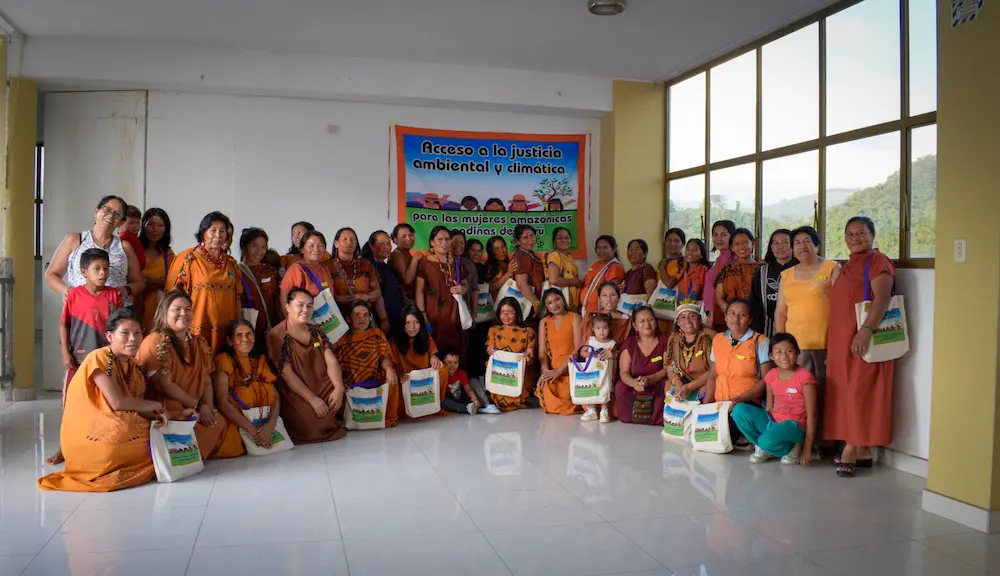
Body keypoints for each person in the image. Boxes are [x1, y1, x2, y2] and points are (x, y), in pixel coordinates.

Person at [38, 309, 167, 492]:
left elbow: (135, 405)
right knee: (147, 441)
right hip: (92, 428)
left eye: (137, 333)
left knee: (159, 432)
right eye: (125, 333)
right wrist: (157, 406)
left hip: (119, 420)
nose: (133, 338)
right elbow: (118, 403)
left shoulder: (134, 365)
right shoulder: (99, 358)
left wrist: (163, 414)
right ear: (109, 336)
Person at [824, 216, 896, 478]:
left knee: (859, 393)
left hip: (864, 340)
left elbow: (883, 299)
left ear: (873, 235)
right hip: (842, 343)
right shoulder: (846, 266)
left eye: (861, 233)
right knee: (846, 392)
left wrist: (865, 331)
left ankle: (850, 450)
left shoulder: (878, 261)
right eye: (850, 233)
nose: (855, 237)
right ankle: (864, 451)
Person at [48, 248, 125, 465]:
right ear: (84, 271)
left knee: (105, 403)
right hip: (78, 360)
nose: (102, 273)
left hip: (105, 361)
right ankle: (64, 447)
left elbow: (118, 327)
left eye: (106, 269)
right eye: (97, 269)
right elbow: (64, 324)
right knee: (70, 405)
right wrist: (65, 353)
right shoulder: (73, 295)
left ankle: (101, 444)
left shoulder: (114, 295)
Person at [138, 290, 228, 459]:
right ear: (164, 312)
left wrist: (208, 408)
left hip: (196, 408)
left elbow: (207, 380)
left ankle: (188, 456)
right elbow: (163, 384)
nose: (183, 313)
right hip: (170, 409)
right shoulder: (155, 340)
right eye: (177, 309)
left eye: (188, 309)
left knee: (220, 422)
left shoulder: (198, 342)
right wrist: (198, 406)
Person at [267, 288, 348, 443]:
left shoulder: (316, 330)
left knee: (338, 403)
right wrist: (312, 399)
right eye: (300, 305)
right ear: (287, 306)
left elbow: (331, 361)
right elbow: (286, 374)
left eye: (309, 306)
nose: (306, 310)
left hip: (323, 386)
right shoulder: (277, 335)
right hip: (298, 392)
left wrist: (338, 388)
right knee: (310, 423)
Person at [45, 195, 146, 322]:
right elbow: (51, 275)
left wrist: (126, 290)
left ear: (121, 222)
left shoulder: (124, 247)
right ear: (96, 212)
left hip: (117, 315)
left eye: (117, 214)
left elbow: (139, 282)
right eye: (107, 209)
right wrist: (65, 291)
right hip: (82, 312)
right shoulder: (75, 240)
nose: (111, 215)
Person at [733, 333, 818, 466]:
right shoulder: (771, 375)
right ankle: (765, 447)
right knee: (738, 410)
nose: (784, 356)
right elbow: (769, 407)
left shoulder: (805, 379)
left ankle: (792, 448)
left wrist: (807, 450)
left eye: (789, 351)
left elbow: (812, 415)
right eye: (778, 352)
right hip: (773, 422)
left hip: (794, 426)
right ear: (771, 356)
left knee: (768, 439)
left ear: (797, 353)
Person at [165, 212, 243, 354]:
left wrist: (238, 327)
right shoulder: (187, 258)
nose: (218, 235)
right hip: (196, 328)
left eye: (222, 231)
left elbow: (237, 297)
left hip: (226, 330)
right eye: (213, 230)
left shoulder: (231, 263)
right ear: (203, 233)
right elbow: (171, 296)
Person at [774, 226, 840, 391]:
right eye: (797, 242)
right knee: (798, 392)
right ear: (792, 249)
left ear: (817, 245)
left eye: (807, 241)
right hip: (795, 347)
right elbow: (781, 311)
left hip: (826, 343)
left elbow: (842, 307)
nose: (802, 246)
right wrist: (781, 341)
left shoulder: (832, 268)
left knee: (826, 392)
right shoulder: (786, 275)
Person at [705, 299, 774, 449]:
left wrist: (738, 399)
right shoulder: (718, 339)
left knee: (723, 436)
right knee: (705, 435)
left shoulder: (760, 341)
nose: (736, 319)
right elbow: (712, 375)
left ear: (750, 320)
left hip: (746, 404)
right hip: (721, 405)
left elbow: (768, 380)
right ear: (725, 316)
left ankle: (747, 434)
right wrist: (707, 403)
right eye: (732, 313)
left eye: (742, 315)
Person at [213, 319, 282, 457]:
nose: (245, 339)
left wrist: (271, 425)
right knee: (232, 447)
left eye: (249, 334)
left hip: (263, 421)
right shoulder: (224, 360)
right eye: (239, 335)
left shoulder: (259, 362)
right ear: (230, 341)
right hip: (235, 421)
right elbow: (222, 401)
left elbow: (276, 397)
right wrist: (252, 430)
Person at [333, 301, 400, 426]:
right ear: (348, 318)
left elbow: (384, 356)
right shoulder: (340, 340)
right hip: (351, 386)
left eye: (365, 315)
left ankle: (388, 419)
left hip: (375, 381)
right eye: (357, 315)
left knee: (391, 378)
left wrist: (389, 369)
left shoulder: (376, 333)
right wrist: (341, 383)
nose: (362, 319)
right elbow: (335, 365)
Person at [416, 226, 473, 367]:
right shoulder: (425, 262)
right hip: (433, 313)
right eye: (439, 239)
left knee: (456, 349)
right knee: (436, 348)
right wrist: (422, 314)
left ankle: (456, 384)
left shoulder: (457, 262)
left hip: (454, 313)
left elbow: (466, 285)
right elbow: (419, 290)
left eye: (447, 239)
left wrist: (462, 288)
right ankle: (439, 385)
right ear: (431, 242)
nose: (444, 243)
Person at [391, 306, 451, 418]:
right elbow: (392, 365)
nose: (412, 327)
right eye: (408, 323)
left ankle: (436, 404)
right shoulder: (395, 342)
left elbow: (432, 353)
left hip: (424, 377)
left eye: (416, 322)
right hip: (406, 379)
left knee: (442, 369)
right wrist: (399, 376)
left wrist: (434, 357)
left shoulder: (425, 336)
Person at [615, 306, 669, 425]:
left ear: (656, 321)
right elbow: (624, 373)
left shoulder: (665, 340)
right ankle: (631, 417)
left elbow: (667, 368)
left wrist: (650, 379)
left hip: (656, 381)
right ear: (635, 326)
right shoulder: (629, 343)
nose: (647, 324)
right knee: (621, 387)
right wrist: (634, 383)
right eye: (642, 321)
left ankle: (656, 418)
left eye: (650, 320)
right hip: (635, 384)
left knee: (666, 386)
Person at [535, 288, 583, 415]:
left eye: (557, 299)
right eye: (550, 302)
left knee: (568, 397)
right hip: (552, 371)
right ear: (546, 306)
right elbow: (542, 353)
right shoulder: (544, 322)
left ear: (563, 299)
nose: (555, 305)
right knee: (547, 389)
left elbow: (578, 350)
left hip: (571, 370)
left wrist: (558, 371)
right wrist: (545, 370)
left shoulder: (575, 318)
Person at [486, 297, 538, 412]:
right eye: (503, 312)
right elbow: (489, 349)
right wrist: (490, 351)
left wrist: (527, 357)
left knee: (519, 393)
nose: (506, 316)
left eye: (510, 312)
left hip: (520, 373)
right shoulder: (494, 330)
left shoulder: (528, 332)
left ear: (517, 313)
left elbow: (531, 356)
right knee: (498, 398)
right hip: (499, 372)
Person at [237, 227, 283, 350]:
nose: (259, 251)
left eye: (263, 247)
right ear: (244, 247)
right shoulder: (235, 272)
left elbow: (278, 301)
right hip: (248, 332)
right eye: (254, 246)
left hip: (273, 330)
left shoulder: (271, 271)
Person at [749, 229, 797, 338]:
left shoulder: (801, 269)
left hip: (797, 326)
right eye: (776, 243)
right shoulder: (761, 271)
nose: (781, 247)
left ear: (792, 245)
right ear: (771, 247)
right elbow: (754, 303)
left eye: (785, 242)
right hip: (766, 328)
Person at [666, 303, 715, 402]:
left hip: (705, 382)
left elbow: (714, 370)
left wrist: (689, 387)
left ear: (700, 319)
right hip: (683, 382)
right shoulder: (674, 339)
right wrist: (677, 381)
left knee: (707, 391)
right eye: (683, 317)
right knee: (668, 386)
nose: (687, 320)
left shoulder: (709, 337)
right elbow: (670, 367)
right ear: (678, 322)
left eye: (692, 316)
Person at [329, 227, 382, 316]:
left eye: (353, 240)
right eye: (345, 239)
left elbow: (377, 291)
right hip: (337, 316)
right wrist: (339, 298)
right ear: (336, 243)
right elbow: (323, 294)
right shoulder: (327, 266)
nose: (349, 242)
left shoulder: (366, 264)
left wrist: (366, 297)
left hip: (364, 315)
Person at [362, 230, 406, 335]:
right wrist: (383, 319)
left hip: (395, 317)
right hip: (381, 321)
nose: (387, 247)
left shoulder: (385, 266)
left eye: (388, 243)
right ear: (371, 246)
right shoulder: (366, 267)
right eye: (382, 244)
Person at [713, 228, 761, 326]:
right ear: (732, 247)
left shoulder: (762, 269)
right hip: (730, 321)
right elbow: (719, 298)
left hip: (757, 319)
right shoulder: (726, 269)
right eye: (737, 244)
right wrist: (733, 316)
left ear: (753, 244)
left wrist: (748, 317)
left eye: (745, 242)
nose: (741, 246)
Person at [139, 208, 174, 332]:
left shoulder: (168, 254)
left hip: (159, 308)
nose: (155, 229)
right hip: (137, 306)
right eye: (151, 225)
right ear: (143, 226)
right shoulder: (135, 249)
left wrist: (160, 283)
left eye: (160, 225)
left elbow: (173, 281)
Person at [280, 230, 336, 303]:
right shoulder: (296, 269)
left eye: (320, 246)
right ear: (302, 249)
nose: (316, 249)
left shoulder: (324, 267)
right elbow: (284, 299)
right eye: (311, 245)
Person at [579, 313, 616, 423]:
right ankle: (592, 410)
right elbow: (582, 352)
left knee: (604, 390)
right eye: (598, 328)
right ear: (593, 329)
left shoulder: (611, 343)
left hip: (605, 373)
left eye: (605, 328)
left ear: (609, 329)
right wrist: (591, 353)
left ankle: (604, 410)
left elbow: (615, 356)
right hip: (592, 371)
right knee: (592, 389)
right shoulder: (591, 341)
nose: (602, 331)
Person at [441, 349, 499, 414]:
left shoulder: (461, 372)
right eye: (449, 362)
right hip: (453, 401)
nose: (452, 366)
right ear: (443, 362)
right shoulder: (441, 374)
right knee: (444, 402)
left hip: (464, 398)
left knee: (473, 380)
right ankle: (472, 408)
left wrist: (475, 399)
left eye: (455, 362)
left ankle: (487, 405)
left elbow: (468, 389)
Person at [704, 220, 736, 331]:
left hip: (720, 313)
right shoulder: (721, 258)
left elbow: (723, 291)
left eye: (724, 234)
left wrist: (714, 312)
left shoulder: (731, 259)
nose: (719, 238)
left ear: (732, 236)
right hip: (711, 312)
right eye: (715, 234)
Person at [581, 235, 626, 315]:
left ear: (614, 249)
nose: (601, 251)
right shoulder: (595, 264)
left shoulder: (615, 267)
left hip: (601, 314)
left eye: (605, 247)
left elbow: (610, 292)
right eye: (599, 248)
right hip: (586, 310)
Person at [465, 239, 490, 379]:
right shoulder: (463, 267)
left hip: (484, 312)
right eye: (473, 250)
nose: (476, 253)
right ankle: (471, 377)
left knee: (482, 344)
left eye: (479, 250)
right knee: (471, 345)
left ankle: (481, 376)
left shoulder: (482, 267)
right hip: (469, 311)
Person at [655, 228, 687, 333]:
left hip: (674, 307)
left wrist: (662, 267)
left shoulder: (683, 262)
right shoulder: (666, 261)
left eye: (676, 241)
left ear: (683, 244)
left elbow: (669, 284)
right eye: (669, 240)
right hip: (660, 305)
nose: (672, 244)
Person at [511, 225, 546, 319]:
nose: (530, 240)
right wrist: (536, 303)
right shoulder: (522, 256)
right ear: (518, 241)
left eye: (532, 236)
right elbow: (521, 283)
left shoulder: (530, 254)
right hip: (528, 305)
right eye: (525, 238)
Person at [545, 227, 583, 312]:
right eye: (559, 238)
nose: (564, 240)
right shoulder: (554, 255)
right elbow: (553, 280)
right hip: (560, 303)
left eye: (567, 238)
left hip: (572, 303)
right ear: (554, 241)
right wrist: (575, 282)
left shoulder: (570, 257)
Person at [389, 223, 422, 300]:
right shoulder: (398, 254)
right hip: (403, 301)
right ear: (395, 240)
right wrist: (415, 259)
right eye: (403, 236)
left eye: (411, 235)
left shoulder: (406, 253)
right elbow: (407, 280)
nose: (408, 239)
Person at [485, 235, 518, 300]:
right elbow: (491, 288)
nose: (501, 250)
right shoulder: (490, 267)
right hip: (498, 305)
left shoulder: (510, 263)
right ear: (491, 252)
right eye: (496, 249)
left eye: (503, 246)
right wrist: (508, 274)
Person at [117, 205, 146, 270]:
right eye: (131, 223)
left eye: (138, 223)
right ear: (119, 223)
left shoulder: (119, 238)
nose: (135, 226)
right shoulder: (126, 237)